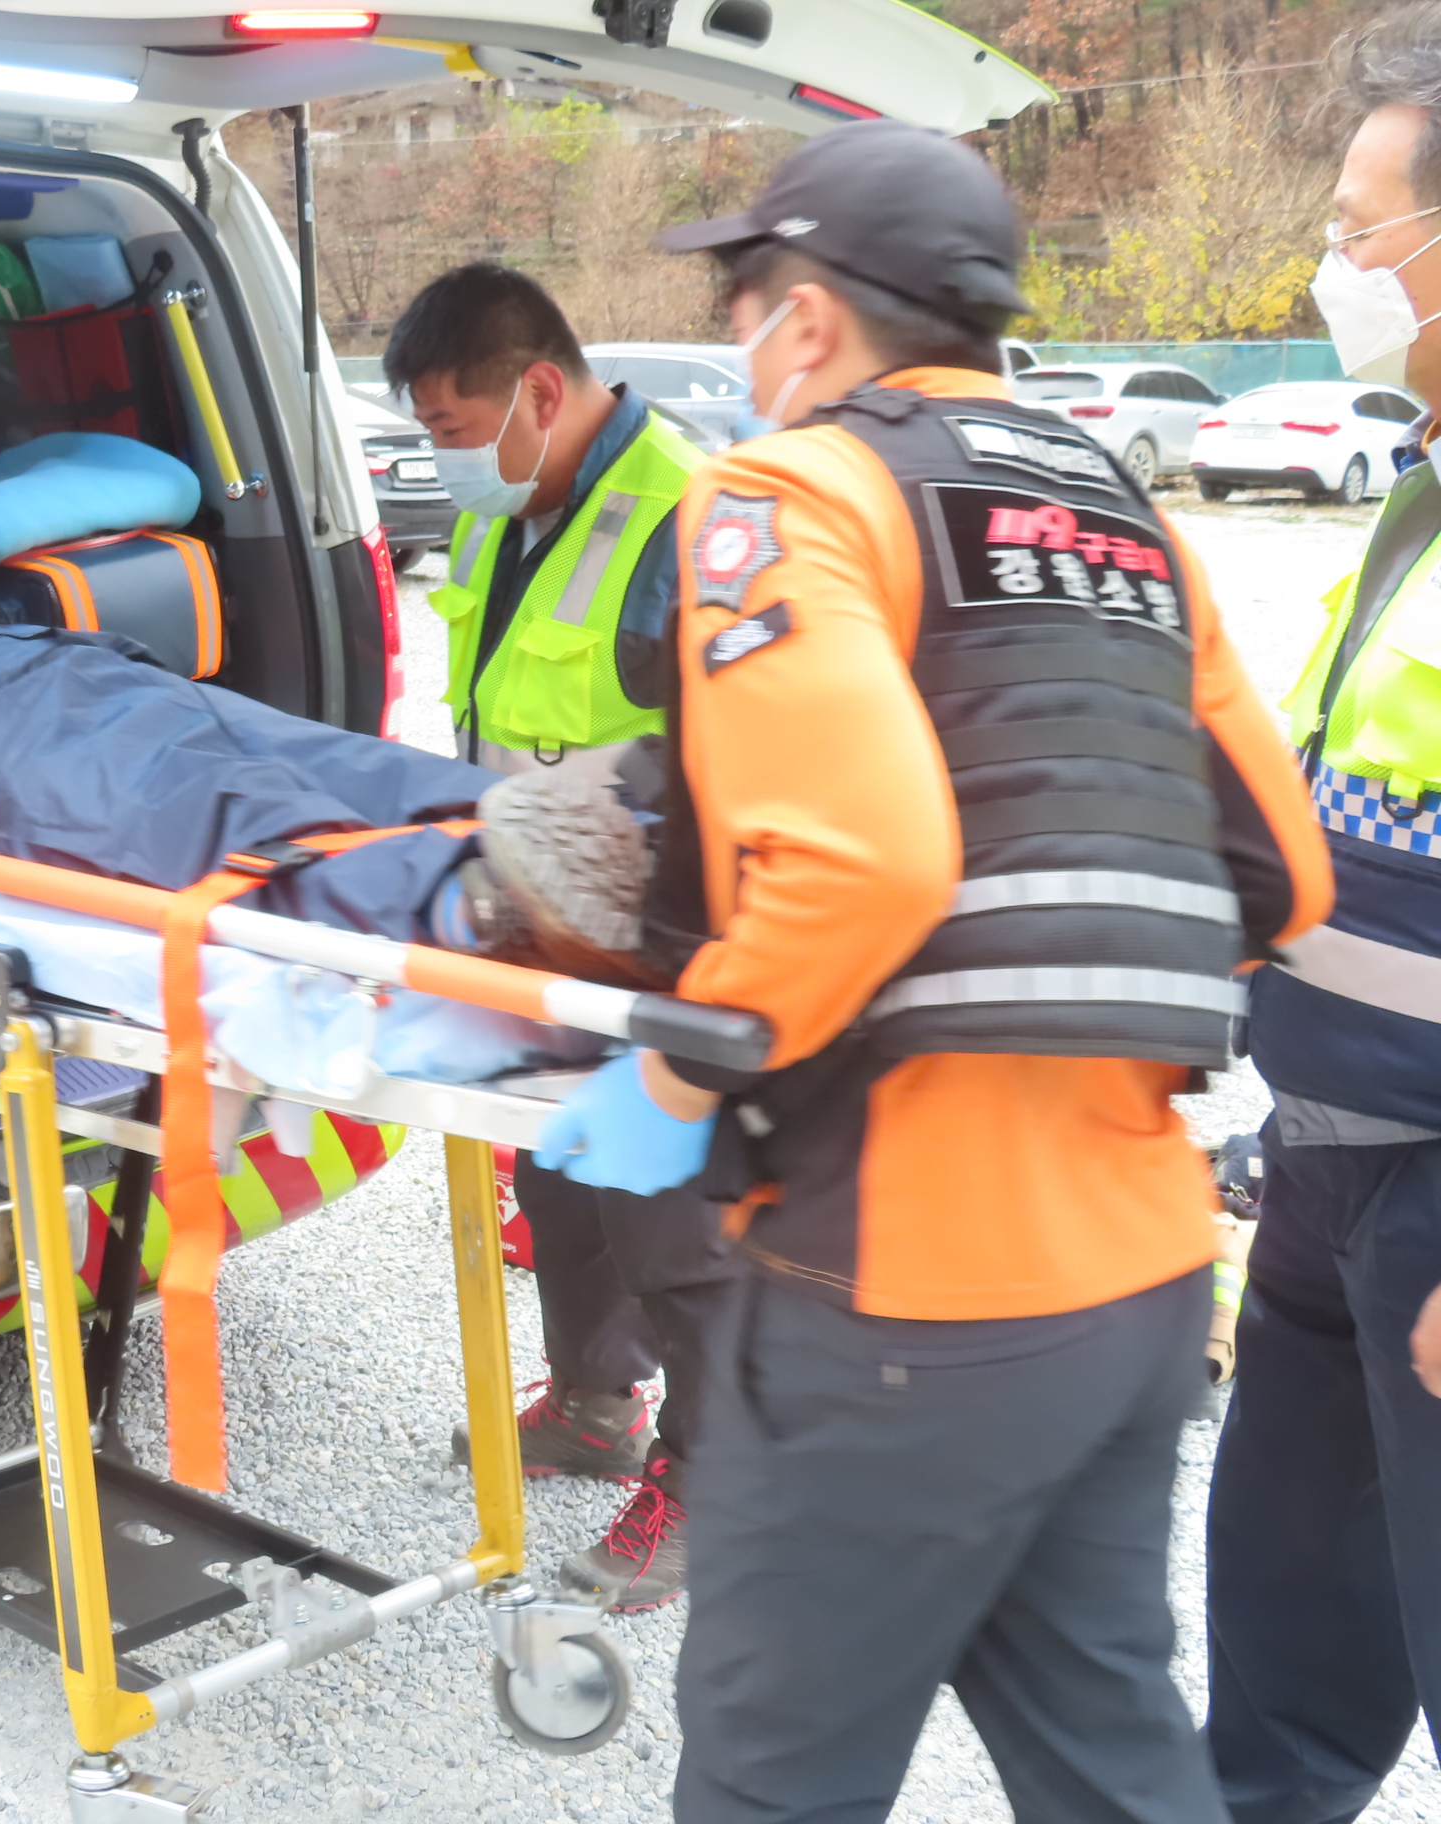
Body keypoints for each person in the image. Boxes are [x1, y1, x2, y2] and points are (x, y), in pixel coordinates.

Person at [500, 120, 1331, 1821]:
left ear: (806, 320)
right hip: (1133, 1274)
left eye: (744, 311)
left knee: (774, 1777)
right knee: (1109, 1758)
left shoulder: (789, 494)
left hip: (892, 1295)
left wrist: (672, 1078)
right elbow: (1278, 874)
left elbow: (860, 864)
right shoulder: (1123, 518)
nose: (744, 353)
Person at [380, 263, 729, 1612]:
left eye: (454, 432)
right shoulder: (504, 518)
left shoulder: (691, 518)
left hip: (658, 944)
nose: (444, 463)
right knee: (561, 1185)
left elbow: (739, 758)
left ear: (537, 390)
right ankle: (595, 1404)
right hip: (533, 929)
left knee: (671, 1221)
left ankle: (714, 1487)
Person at [1208, 15, 1441, 1819]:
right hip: (1329, 1154)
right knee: (1288, 1653)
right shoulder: (1420, 496)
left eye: (1360, 229)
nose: (1332, 263)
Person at [0, 622, 649, 969]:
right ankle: (461, 903)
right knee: (238, 818)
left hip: (131, 693)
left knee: (362, 765)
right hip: (22, 747)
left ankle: (636, 843)